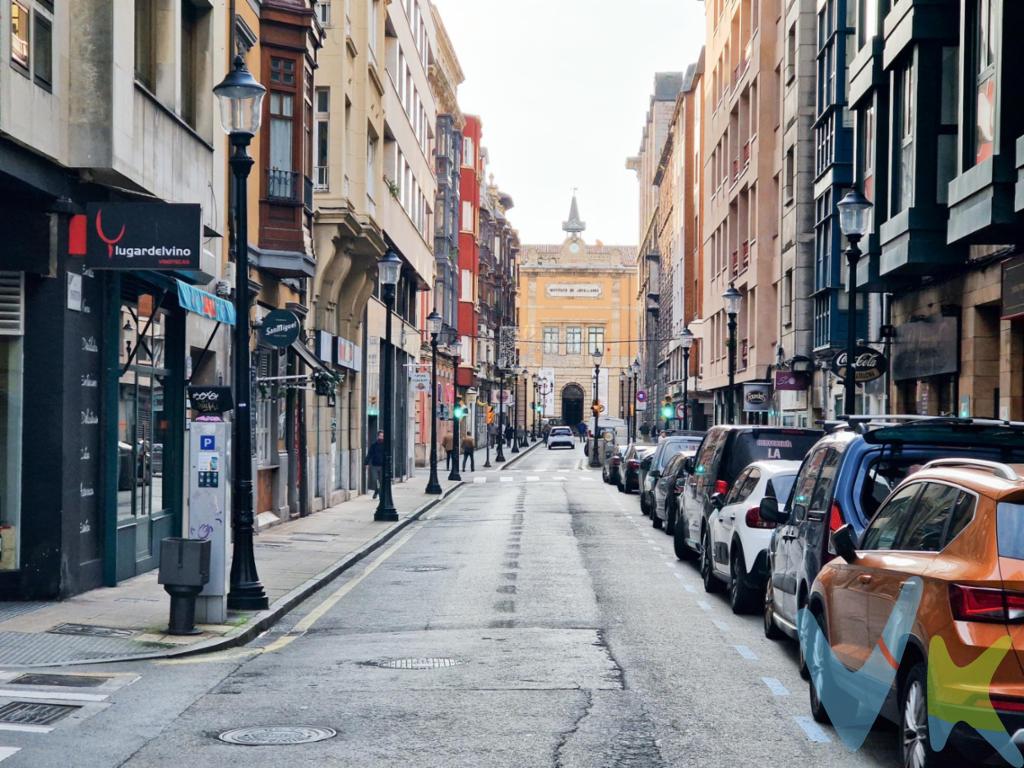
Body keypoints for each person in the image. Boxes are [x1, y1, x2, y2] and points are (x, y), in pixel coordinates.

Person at [365, 431, 385, 499]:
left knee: (381, 481)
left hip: (382, 466)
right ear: (378, 436)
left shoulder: (385, 445)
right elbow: (369, 454)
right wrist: (366, 463)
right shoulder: (374, 445)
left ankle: (377, 492)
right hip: (374, 466)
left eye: (383, 436)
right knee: (375, 480)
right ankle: (379, 493)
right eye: (380, 436)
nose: (381, 437)